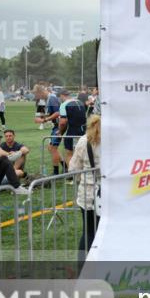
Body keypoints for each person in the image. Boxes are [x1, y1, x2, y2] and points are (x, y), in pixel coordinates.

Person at [68, 114, 101, 252]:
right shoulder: (112, 142)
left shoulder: (83, 141)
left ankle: (82, 266)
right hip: (107, 193)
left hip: (87, 192)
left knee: (88, 233)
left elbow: (73, 169)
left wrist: (81, 179)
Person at [56, 88, 88, 169]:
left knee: (69, 153)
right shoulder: (80, 102)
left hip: (72, 132)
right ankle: (81, 173)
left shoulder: (64, 105)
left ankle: (71, 176)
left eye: (59, 97)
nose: (60, 99)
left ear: (62, 96)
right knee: (82, 152)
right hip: (84, 131)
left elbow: (63, 122)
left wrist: (59, 132)